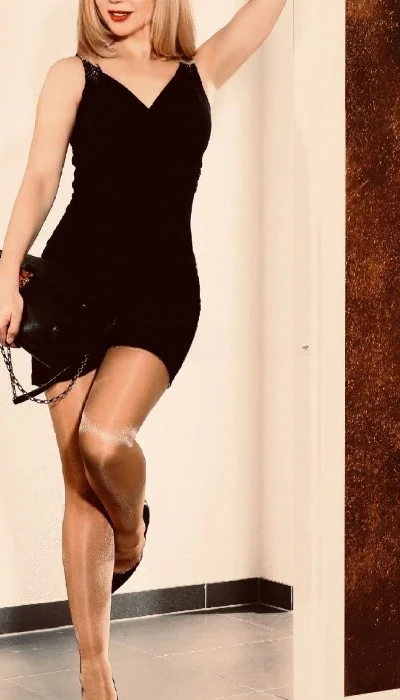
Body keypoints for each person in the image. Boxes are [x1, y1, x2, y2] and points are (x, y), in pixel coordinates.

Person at [0, 1, 287, 698]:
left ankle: (131, 536)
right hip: (69, 293)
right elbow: (39, 179)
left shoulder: (201, 71)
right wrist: (6, 277)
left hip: (163, 296)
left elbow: (266, 11)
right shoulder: (73, 75)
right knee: (79, 482)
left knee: (104, 442)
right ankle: (95, 673)